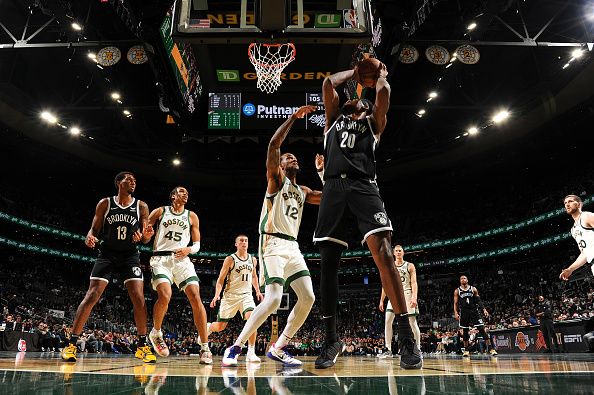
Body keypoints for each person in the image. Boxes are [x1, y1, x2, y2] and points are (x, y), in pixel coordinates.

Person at [312, 62, 422, 370]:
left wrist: (380, 75)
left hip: (363, 185)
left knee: (385, 253)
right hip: (333, 186)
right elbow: (327, 84)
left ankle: (406, 339)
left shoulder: (373, 123)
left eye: (357, 98)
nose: (350, 100)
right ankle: (331, 339)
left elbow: (384, 92)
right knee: (328, 266)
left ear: (365, 105)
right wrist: (355, 73)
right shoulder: (333, 120)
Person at [222, 105, 320, 367]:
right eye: (288, 157)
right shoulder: (276, 180)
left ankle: (279, 347)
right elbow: (274, 145)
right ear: (281, 164)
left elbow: (332, 198)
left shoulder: (304, 191)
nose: (293, 159)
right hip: (272, 243)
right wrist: (293, 118)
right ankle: (236, 346)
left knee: (309, 297)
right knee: (274, 297)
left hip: (293, 247)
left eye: (294, 158)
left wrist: (323, 173)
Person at [62, 171, 155, 363]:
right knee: (92, 295)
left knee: (138, 297)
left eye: (135, 181)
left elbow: (146, 237)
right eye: (129, 180)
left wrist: (144, 236)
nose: (133, 183)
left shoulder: (141, 206)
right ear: (119, 183)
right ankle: (71, 344)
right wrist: (90, 237)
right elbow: (94, 229)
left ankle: (142, 345)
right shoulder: (105, 203)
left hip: (130, 255)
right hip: (107, 254)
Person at [145, 186, 212, 364]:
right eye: (181, 191)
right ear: (173, 196)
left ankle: (205, 347)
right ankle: (156, 333)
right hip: (161, 259)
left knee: (196, 297)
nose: (185, 194)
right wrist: (147, 234)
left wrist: (189, 249)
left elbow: (197, 244)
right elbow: (144, 237)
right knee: (165, 295)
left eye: (187, 193)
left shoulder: (192, 216)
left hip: (182, 260)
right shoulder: (160, 211)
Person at [207, 234, 264, 363]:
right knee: (221, 326)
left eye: (246, 240)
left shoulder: (253, 259)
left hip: (246, 295)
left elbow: (254, 276)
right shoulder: (230, 259)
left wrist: (258, 291)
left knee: (253, 318)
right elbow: (221, 279)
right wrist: (217, 295)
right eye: (241, 241)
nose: (244, 242)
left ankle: (251, 351)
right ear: (236, 244)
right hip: (230, 297)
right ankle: (209, 327)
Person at [378, 245, 420, 358]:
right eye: (396, 251)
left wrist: (414, 297)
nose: (398, 252)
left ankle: (418, 348)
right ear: (393, 253)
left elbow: (414, 282)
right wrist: (382, 300)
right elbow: (385, 285)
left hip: (407, 293)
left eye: (400, 250)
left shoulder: (410, 265)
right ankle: (388, 349)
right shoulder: (389, 266)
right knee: (387, 320)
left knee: (412, 322)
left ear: (403, 252)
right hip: (393, 294)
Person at [453, 275, 497, 357]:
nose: (463, 279)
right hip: (464, 312)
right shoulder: (457, 291)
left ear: (467, 280)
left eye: (464, 278)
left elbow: (478, 300)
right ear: (460, 281)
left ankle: (491, 349)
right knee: (465, 331)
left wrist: (484, 309)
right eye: (461, 278)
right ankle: (466, 350)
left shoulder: (473, 289)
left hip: (474, 311)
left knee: (482, 329)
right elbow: (455, 303)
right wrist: (455, 312)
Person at [560, 194, 594, 281]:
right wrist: (570, 269)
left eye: (570, 201)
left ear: (579, 204)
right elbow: (584, 254)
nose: (567, 204)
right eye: (565, 203)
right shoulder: (573, 230)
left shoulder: (586, 216)